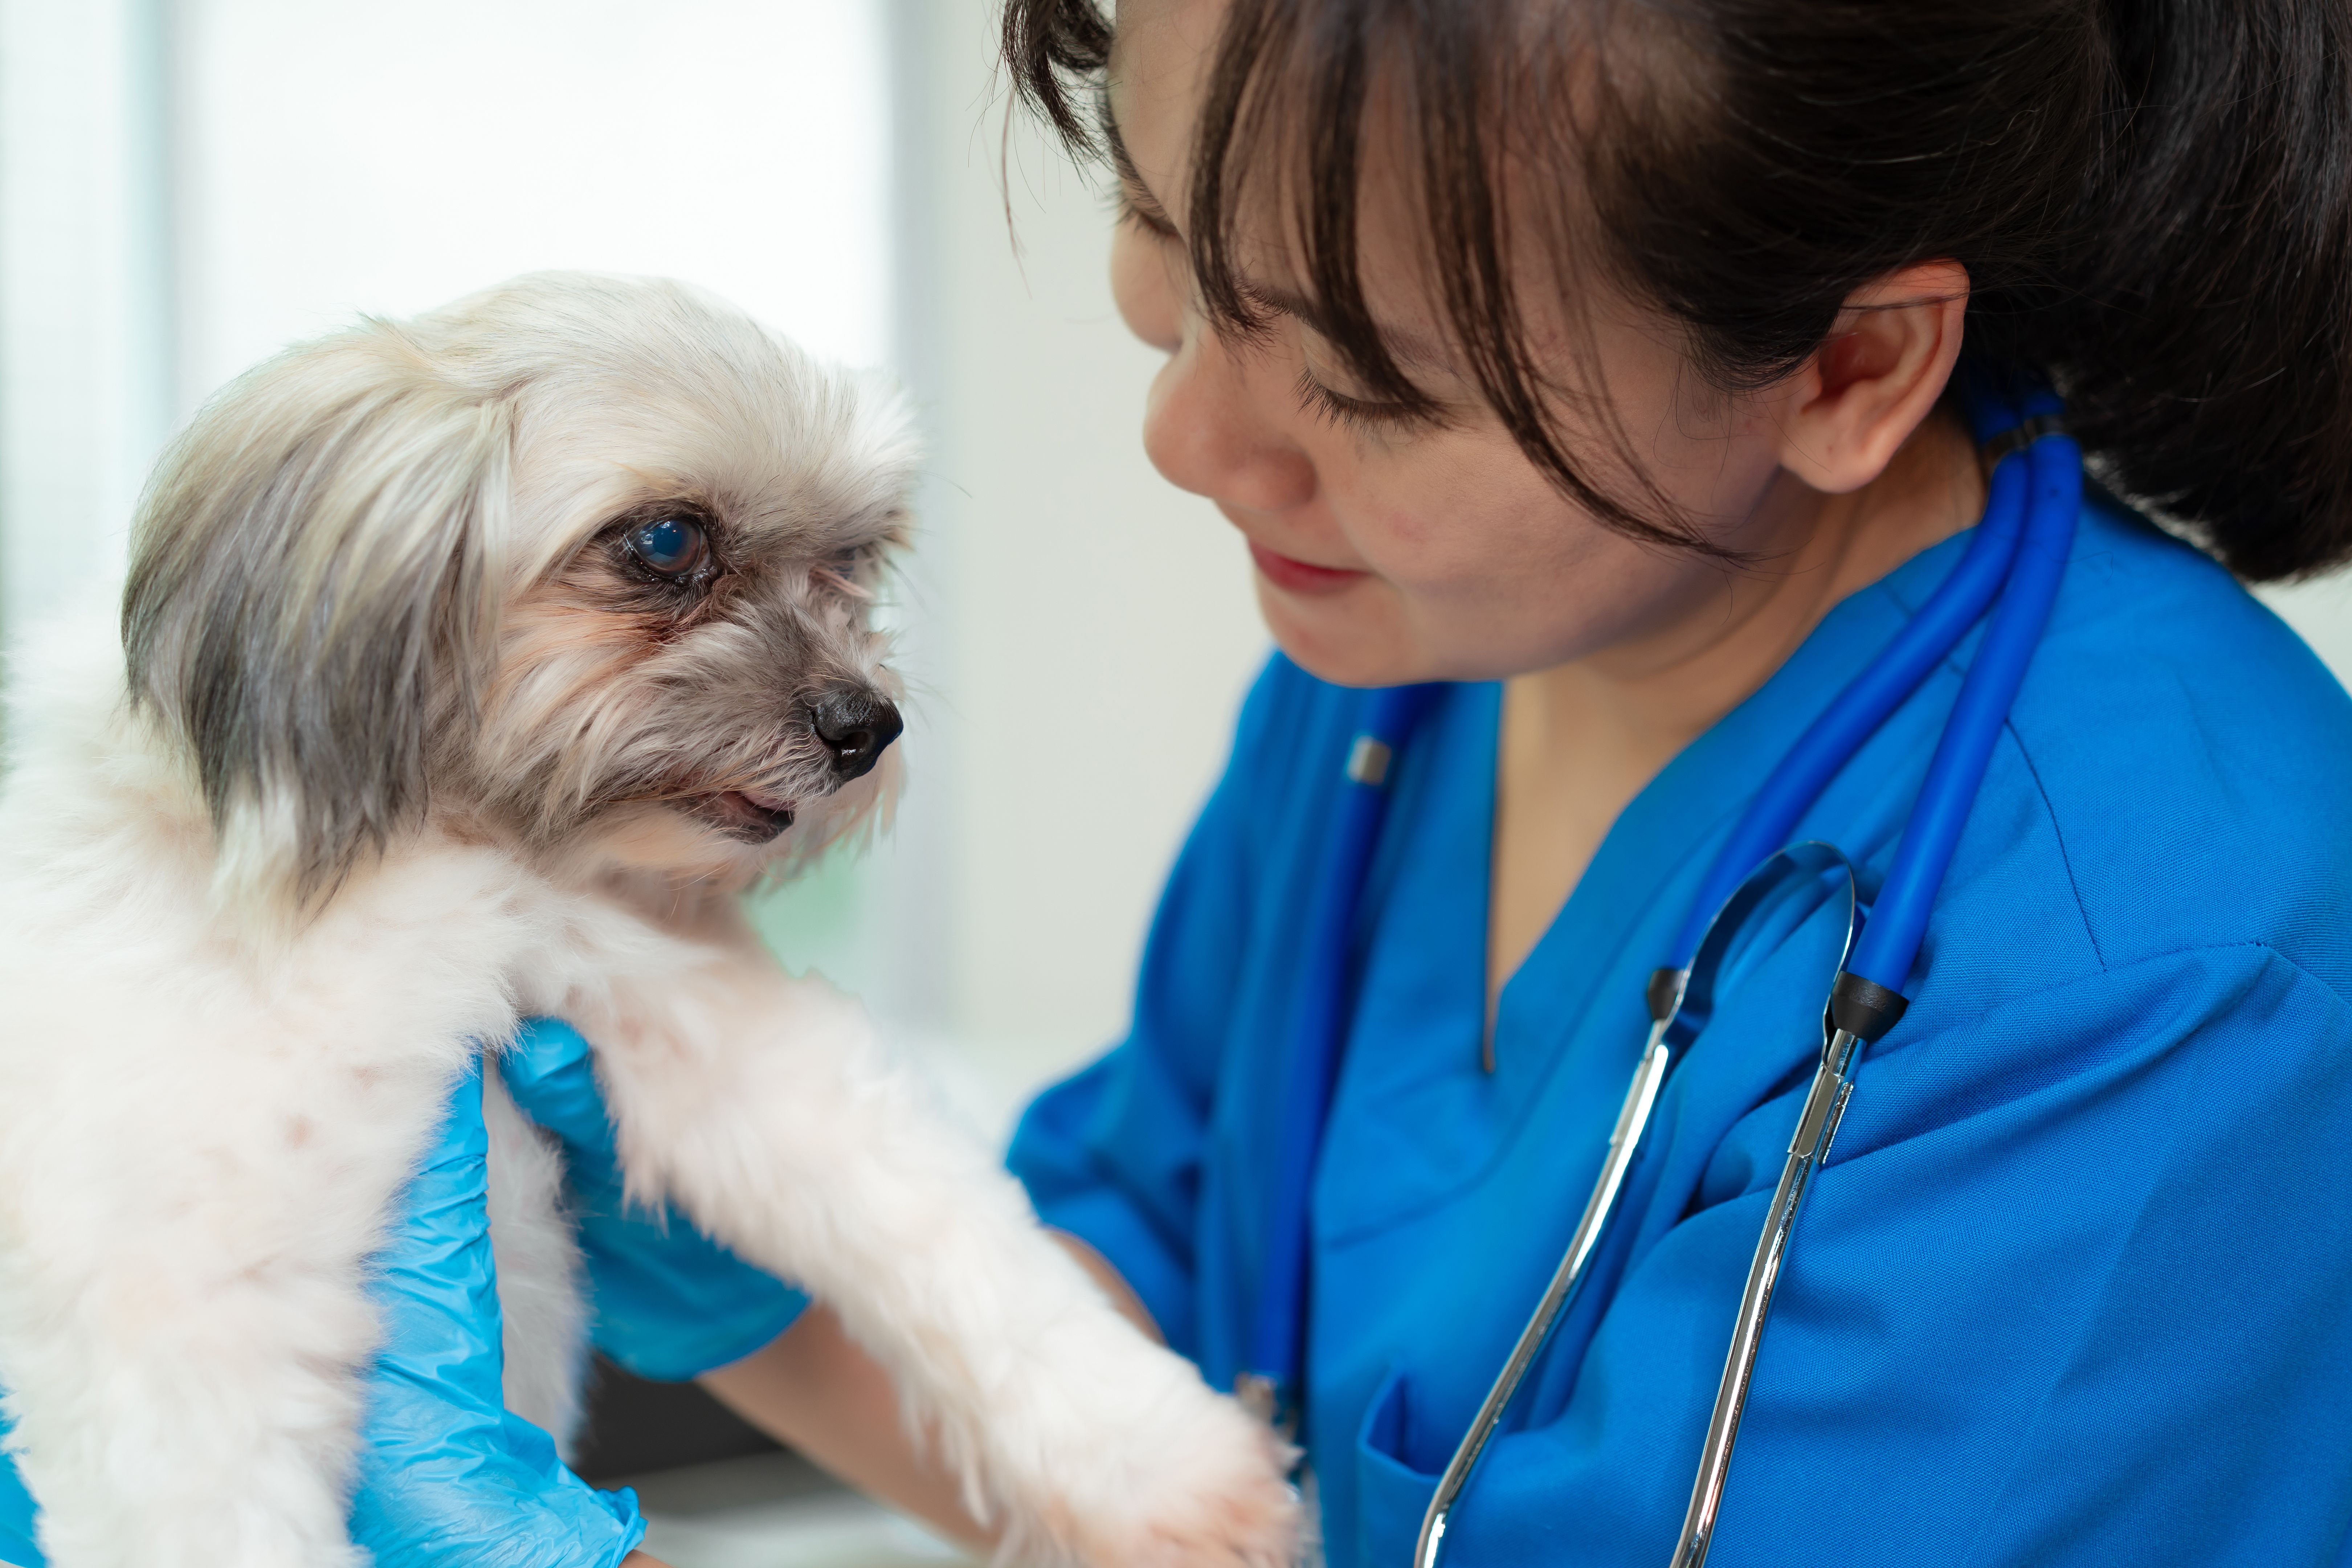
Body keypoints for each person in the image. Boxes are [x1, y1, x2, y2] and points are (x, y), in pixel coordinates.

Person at [12, 0, 2352, 1563]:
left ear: (1850, 362)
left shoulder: (2162, 957)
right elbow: (1152, 1426)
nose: (1188, 441)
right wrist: (727, 1244)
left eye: (1360, 373)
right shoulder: (1392, 698)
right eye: (1171, 254)